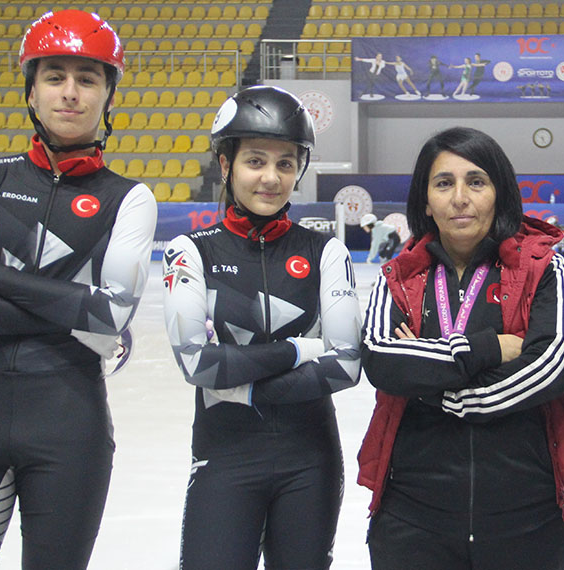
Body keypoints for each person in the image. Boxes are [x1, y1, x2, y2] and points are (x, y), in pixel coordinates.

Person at [0, 10, 157, 569]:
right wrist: (76, 311)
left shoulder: (130, 199)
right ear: (31, 89)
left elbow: (110, 316)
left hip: (69, 426)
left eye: (87, 78)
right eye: (54, 76)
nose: (70, 93)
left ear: (108, 96)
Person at [358, 126, 564, 570]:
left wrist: (442, 388)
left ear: (500, 193)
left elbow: (552, 366)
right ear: (425, 200)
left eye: (476, 181)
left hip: (530, 521)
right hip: (413, 520)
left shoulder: (543, 269)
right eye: (443, 183)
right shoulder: (399, 276)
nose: (459, 197)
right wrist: (490, 349)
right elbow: (381, 359)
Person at [161, 85, 362, 569]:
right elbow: (198, 364)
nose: (271, 178)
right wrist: (298, 351)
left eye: (286, 164)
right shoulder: (190, 251)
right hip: (224, 459)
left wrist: (241, 385)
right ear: (226, 165)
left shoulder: (326, 251)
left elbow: (347, 366)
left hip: (309, 462)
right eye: (255, 161)